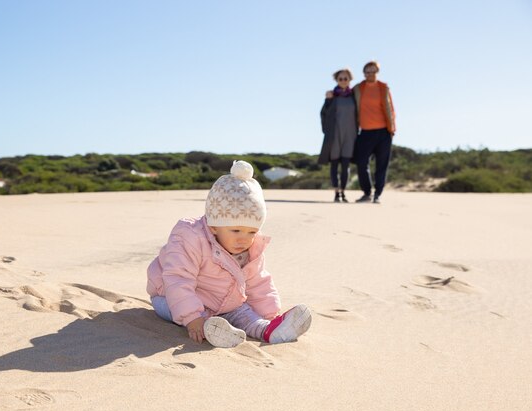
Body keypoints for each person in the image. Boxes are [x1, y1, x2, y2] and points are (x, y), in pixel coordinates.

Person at [147, 160, 312, 348]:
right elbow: (178, 279)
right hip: (171, 296)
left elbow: (258, 282)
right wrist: (192, 318)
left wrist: (269, 314)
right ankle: (210, 329)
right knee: (182, 311)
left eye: (252, 232)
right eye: (236, 231)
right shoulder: (190, 237)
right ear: (214, 225)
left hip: (226, 303)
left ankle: (270, 330)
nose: (244, 239)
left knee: (246, 314)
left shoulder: (250, 248)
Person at [352, 61, 396, 204]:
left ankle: (378, 194)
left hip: (384, 132)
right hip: (365, 132)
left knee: (382, 164)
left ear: (377, 72)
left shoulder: (383, 88)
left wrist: (392, 128)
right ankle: (366, 193)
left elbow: (391, 108)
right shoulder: (358, 88)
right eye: (367, 71)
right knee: (361, 162)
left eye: (373, 71)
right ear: (364, 73)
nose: (370, 74)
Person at [317, 68, 359, 203]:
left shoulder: (354, 96)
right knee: (334, 165)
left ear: (350, 80)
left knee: (346, 165)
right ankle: (336, 193)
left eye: (345, 78)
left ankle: (343, 192)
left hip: (350, 135)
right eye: (340, 79)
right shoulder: (331, 97)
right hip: (335, 135)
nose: (343, 81)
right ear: (336, 80)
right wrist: (327, 131)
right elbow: (323, 114)